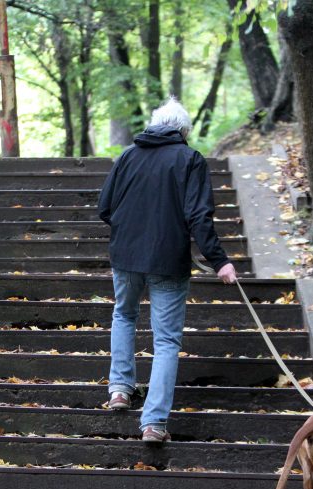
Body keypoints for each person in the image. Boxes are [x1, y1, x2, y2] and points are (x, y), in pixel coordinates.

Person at [97, 97, 237, 444]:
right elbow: (198, 216)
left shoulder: (128, 155)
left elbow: (104, 207)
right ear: (183, 131)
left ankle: (119, 389)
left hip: (126, 256)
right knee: (167, 341)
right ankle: (153, 423)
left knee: (124, 315)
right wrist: (220, 261)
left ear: (155, 124)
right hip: (167, 260)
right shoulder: (190, 159)